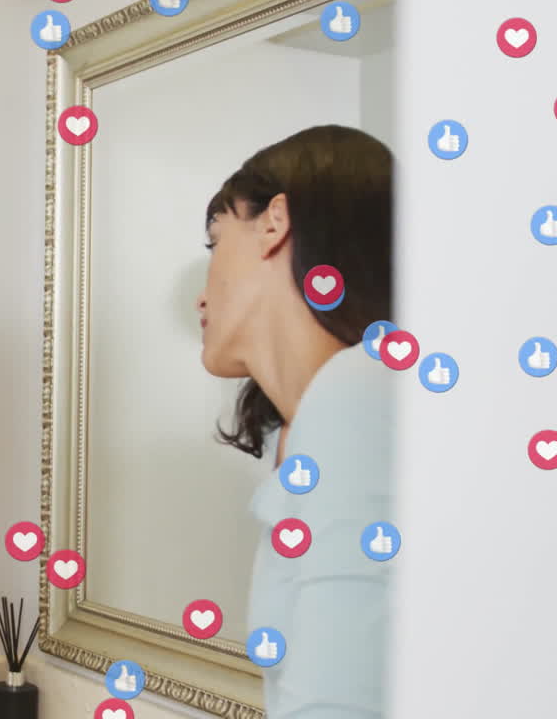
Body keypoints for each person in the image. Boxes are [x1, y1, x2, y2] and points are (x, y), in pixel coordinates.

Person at [196, 125, 394, 717]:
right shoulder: (301, 430)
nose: (202, 297)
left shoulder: (360, 391)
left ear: (274, 223)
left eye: (214, 241)